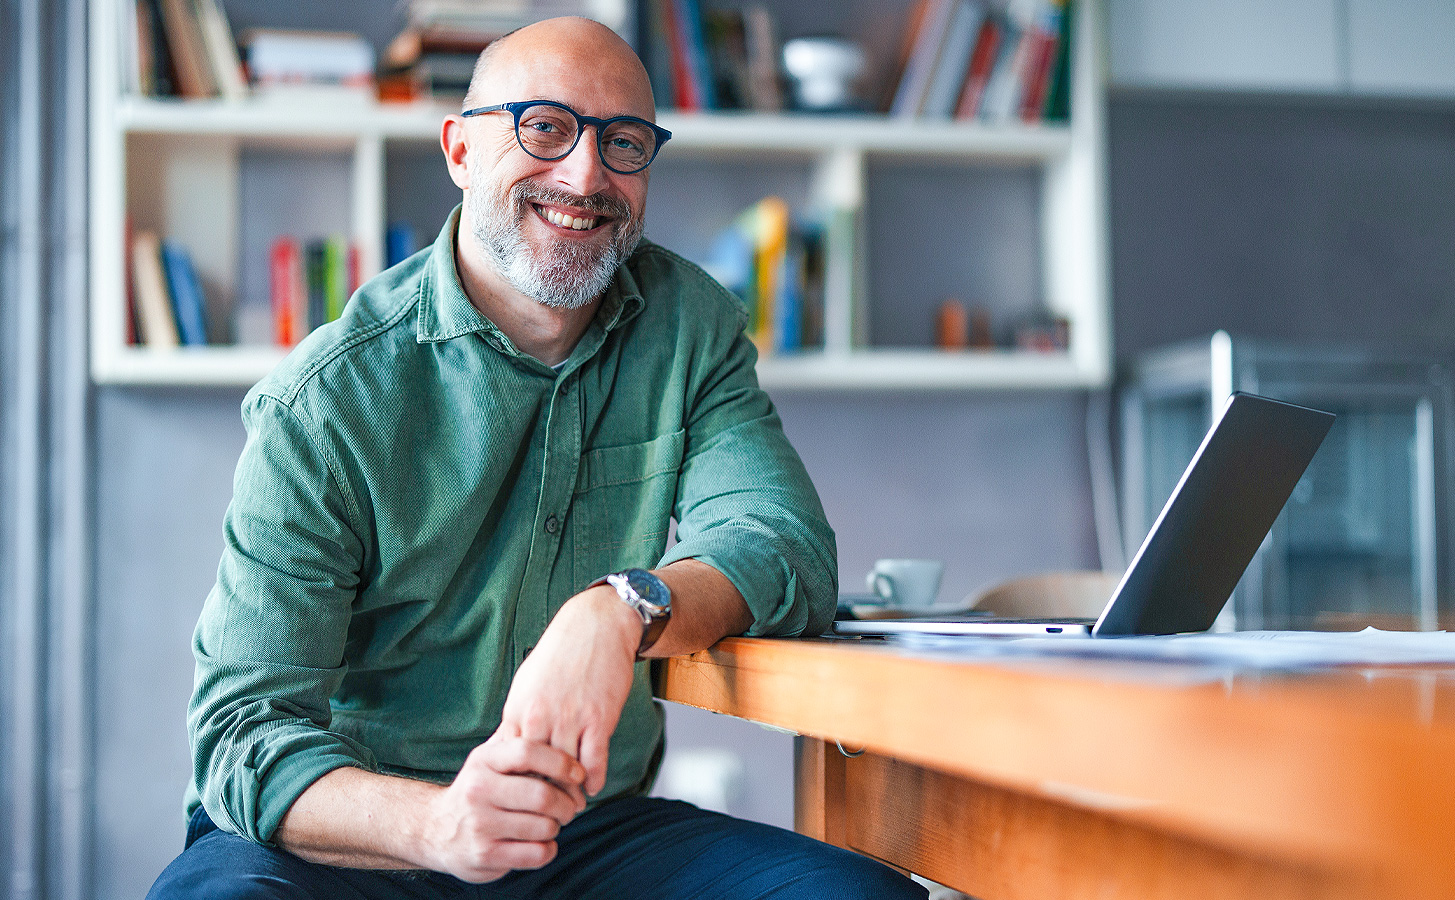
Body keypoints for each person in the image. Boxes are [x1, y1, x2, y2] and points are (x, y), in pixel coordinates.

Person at [146, 15, 924, 900]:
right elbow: (242, 731)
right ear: (460, 150)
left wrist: (618, 610)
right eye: (545, 127)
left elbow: (782, 543)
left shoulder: (690, 326)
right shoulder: (327, 398)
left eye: (624, 142)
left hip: (583, 834)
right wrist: (439, 827)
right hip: (351, 834)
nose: (586, 174)